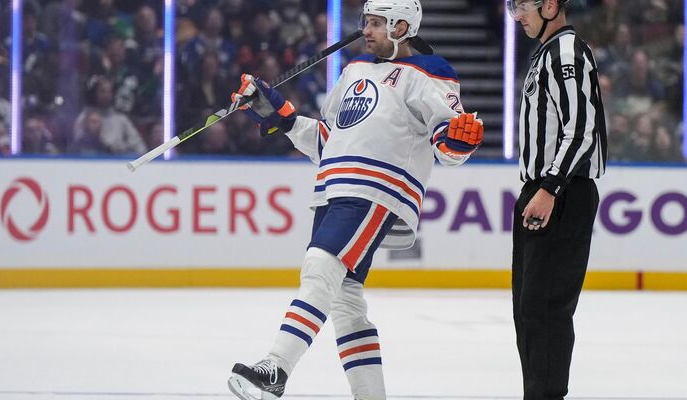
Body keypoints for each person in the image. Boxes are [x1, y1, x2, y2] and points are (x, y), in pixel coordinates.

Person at [226, 1, 484, 399]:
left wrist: (458, 143)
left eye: (377, 23)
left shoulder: (431, 74)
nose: (366, 30)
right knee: (345, 299)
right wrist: (282, 116)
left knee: (319, 265)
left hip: (377, 189)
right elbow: (330, 140)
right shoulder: (352, 71)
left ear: (402, 26)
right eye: (366, 22)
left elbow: (447, 143)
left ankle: (276, 366)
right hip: (333, 188)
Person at [506, 0, 607, 399]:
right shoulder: (546, 53)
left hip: (560, 192)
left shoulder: (565, 51)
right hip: (542, 190)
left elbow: (581, 130)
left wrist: (550, 187)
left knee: (545, 308)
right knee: (529, 310)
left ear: (550, 4)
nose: (517, 15)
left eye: (522, 5)